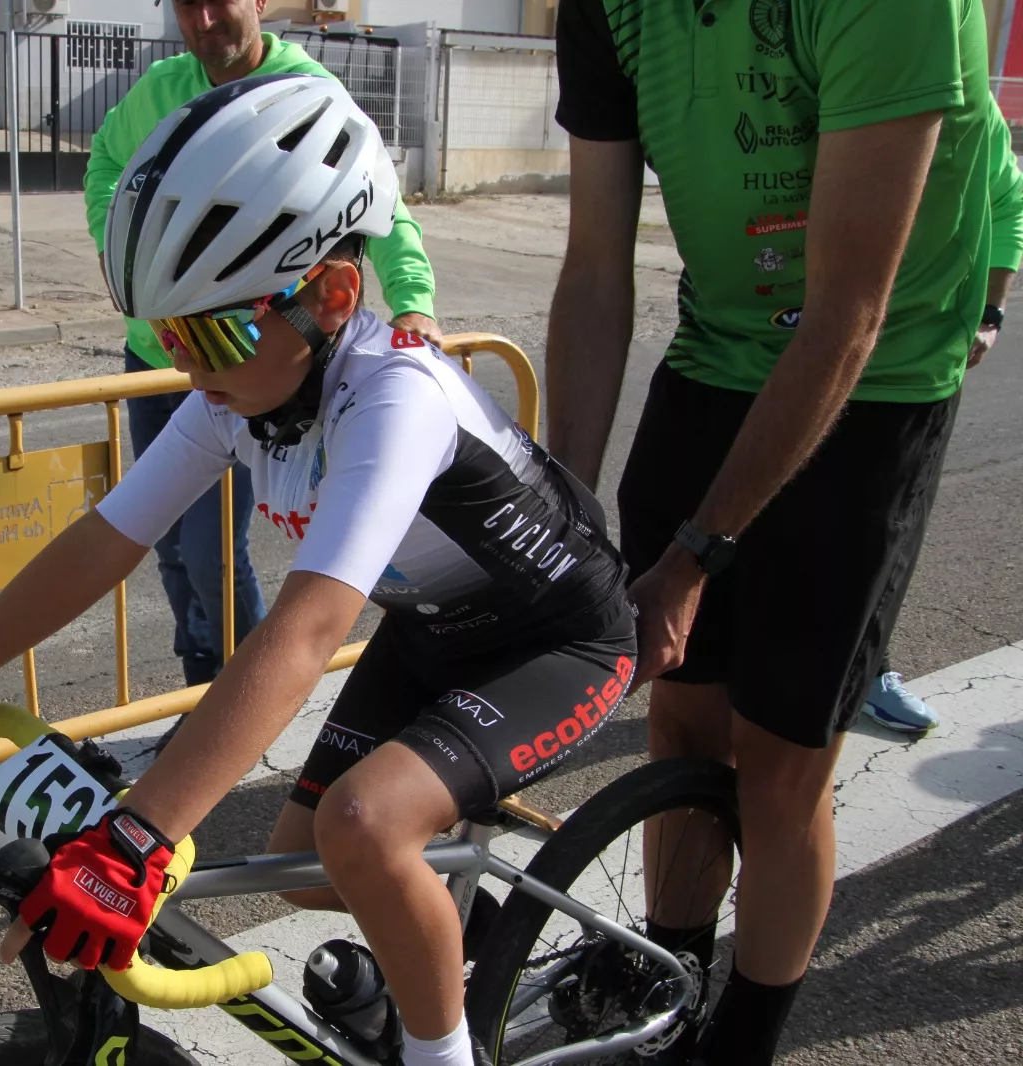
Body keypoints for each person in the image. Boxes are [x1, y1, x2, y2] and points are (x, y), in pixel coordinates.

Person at [0, 76, 633, 1066]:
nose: (182, 362)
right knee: (305, 867)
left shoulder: (397, 397)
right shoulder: (236, 391)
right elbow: (105, 539)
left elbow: (303, 631)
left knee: (361, 824)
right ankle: (443, 969)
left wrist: (138, 839)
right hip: (438, 631)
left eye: (206, 332)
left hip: (559, 641)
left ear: (331, 296)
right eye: (166, 333)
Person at [547, 1, 997, 1062]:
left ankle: (743, 1036)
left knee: (779, 763)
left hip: (873, 380)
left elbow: (846, 316)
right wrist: (562, 511)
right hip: (718, 349)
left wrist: (697, 552)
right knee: (681, 719)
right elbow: (594, 272)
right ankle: (665, 970)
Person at [84, 0, 440, 733]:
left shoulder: (307, 89)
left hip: (252, 358)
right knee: (173, 552)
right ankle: (203, 696)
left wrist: (413, 301)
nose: (206, 16)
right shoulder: (156, 89)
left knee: (211, 551)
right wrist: (128, 255)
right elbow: (106, 169)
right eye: (187, 2)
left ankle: (234, 707)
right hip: (181, 359)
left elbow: (380, 203)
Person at [864, 96, 1022, 736]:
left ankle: (868, 671)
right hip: (786, 348)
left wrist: (990, 313)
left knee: (879, 530)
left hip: (908, 367)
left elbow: (1008, 204)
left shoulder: (971, 109)